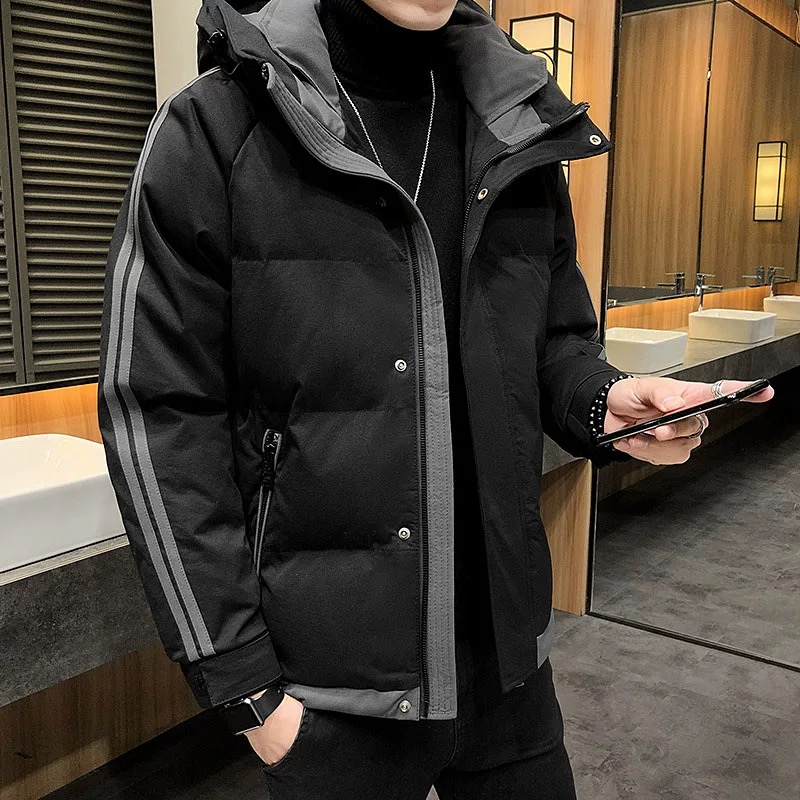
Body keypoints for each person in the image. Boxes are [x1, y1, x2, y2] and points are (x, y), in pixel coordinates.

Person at [96, 0, 774, 797]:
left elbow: (554, 344)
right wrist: (247, 693)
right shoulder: (216, 128)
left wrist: (605, 400)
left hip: (508, 672)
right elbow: (159, 414)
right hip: (334, 688)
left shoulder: (512, 123)